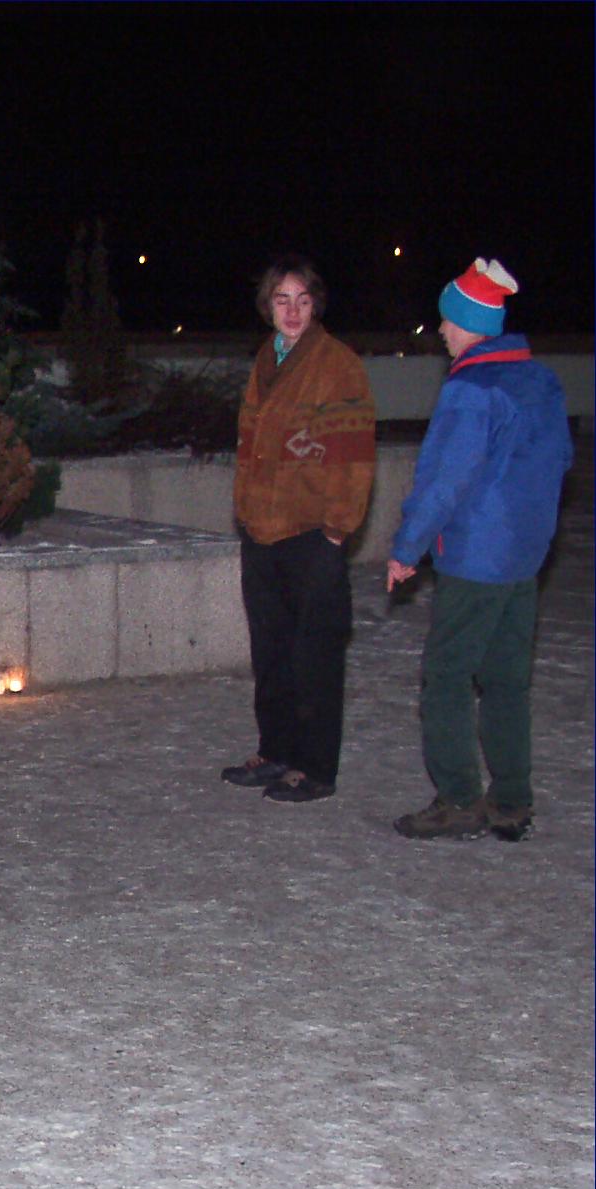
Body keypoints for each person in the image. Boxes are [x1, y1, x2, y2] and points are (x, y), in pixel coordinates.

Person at [387, 259, 572, 841]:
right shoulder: (540, 380)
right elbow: (561, 462)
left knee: (445, 676)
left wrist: (407, 547)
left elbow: (444, 479)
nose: (441, 332)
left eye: (447, 321)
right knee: (506, 679)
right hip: (523, 557)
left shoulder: (470, 389)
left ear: (469, 323)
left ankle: (459, 797)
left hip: (475, 558)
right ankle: (512, 798)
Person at [223, 256, 376, 803]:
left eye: (302, 300)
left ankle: (314, 767)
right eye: (282, 299)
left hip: (311, 532)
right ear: (269, 306)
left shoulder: (337, 365)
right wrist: (244, 508)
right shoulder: (267, 359)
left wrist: (338, 529)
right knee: (272, 652)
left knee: (314, 655)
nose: (292, 310)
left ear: (316, 305)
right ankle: (277, 749)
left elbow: (354, 456)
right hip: (263, 532)